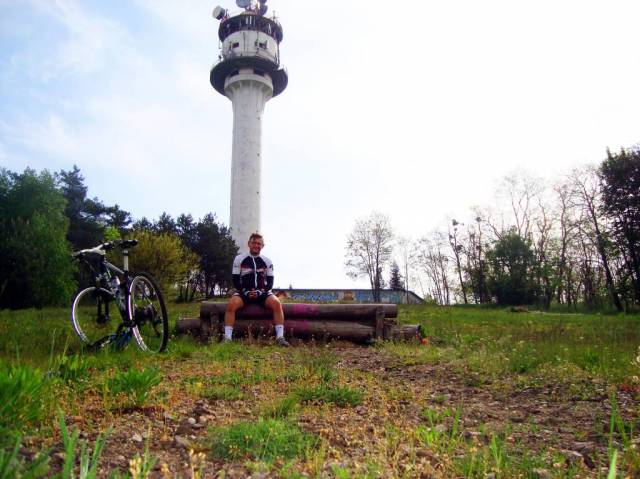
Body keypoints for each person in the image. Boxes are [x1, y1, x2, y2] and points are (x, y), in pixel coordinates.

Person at [224, 233, 290, 346]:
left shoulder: (267, 261)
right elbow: (235, 280)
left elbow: (270, 283)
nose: (256, 245)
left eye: (259, 244)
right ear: (249, 244)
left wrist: (260, 292)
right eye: (254, 243)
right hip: (244, 291)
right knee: (231, 305)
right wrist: (245, 292)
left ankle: (280, 338)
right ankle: (227, 339)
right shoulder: (239, 259)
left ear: (262, 246)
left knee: (276, 303)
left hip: (262, 292)